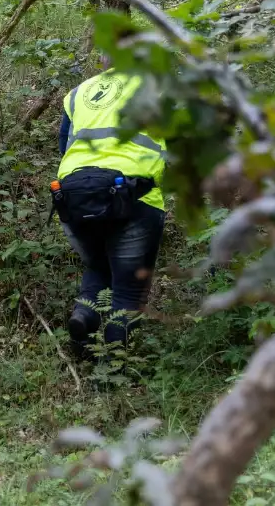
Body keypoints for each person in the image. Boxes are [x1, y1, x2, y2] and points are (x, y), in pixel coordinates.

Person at [54, 56, 166, 366]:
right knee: (129, 291)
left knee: (99, 266)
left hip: (75, 196)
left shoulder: (79, 92)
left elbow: (64, 146)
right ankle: (115, 370)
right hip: (134, 197)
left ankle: (84, 317)